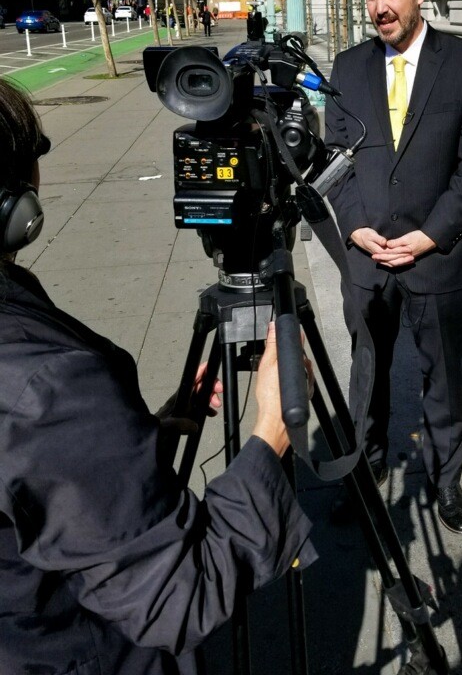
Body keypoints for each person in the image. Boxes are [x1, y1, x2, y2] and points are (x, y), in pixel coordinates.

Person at [0, 78, 316, 674]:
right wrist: (271, 433)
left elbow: (32, 483)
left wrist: (135, 438)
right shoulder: (44, 382)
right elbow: (183, 592)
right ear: (13, 206)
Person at [324, 0, 462, 534]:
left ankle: (446, 481)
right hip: (368, 257)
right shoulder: (347, 70)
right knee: (366, 374)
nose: (378, 8)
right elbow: (334, 161)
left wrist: (428, 237)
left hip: (438, 257)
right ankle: (364, 467)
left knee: (446, 377)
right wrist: (353, 226)